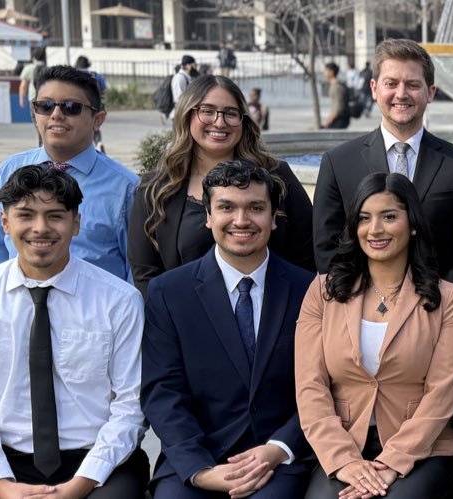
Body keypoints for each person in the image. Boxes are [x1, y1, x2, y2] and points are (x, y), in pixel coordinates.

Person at [0, 164, 150, 499]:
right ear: (5, 222)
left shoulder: (119, 300)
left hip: (97, 457)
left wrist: (81, 484)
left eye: (55, 216)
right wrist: (1, 484)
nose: (40, 228)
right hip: (7, 458)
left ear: (76, 223)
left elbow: (131, 404)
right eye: (26, 215)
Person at [140, 161, 315, 498]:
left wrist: (280, 447)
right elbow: (163, 391)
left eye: (256, 208)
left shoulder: (308, 290)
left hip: (278, 458)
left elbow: (324, 385)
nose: (241, 220)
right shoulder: (169, 292)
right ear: (208, 216)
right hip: (195, 457)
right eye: (226, 207)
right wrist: (200, 469)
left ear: (274, 216)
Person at [297, 173, 453, 498]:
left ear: (412, 223)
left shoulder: (448, 299)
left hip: (423, 449)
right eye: (364, 218)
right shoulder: (323, 292)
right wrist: (343, 460)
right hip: (344, 443)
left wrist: (393, 462)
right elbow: (310, 387)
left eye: (389, 217)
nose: (375, 229)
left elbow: (442, 395)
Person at [314, 39, 453, 291]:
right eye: (391, 83)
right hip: (359, 304)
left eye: (412, 84)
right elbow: (327, 247)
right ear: (374, 89)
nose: (401, 94)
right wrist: (363, 300)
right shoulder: (338, 163)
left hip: (439, 306)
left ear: (431, 92)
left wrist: (438, 300)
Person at [129, 75, 314, 295]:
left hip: (272, 310)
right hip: (184, 312)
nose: (219, 122)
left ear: (243, 120)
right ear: (187, 114)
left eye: (230, 113)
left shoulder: (277, 177)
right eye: (207, 111)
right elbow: (146, 274)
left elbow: (307, 256)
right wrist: (170, 314)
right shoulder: (156, 188)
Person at [0, 65, 138, 281]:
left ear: (98, 119)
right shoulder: (9, 170)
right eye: (45, 106)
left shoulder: (126, 189)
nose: (56, 115)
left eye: (71, 107)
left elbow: (136, 275)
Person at [321, 62, 350, 130]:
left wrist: (330, 119)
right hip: (336, 118)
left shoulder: (337, 87)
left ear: (331, 72)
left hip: (340, 119)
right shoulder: (333, 85)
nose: (324, 73)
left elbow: (339, 106)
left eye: (326, 70)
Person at [170, 55, 196, 121]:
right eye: (194, 65)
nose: (195, 67)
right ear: (188, 66)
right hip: (181, 114)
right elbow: (179, 98)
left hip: (185, 112)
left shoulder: (187, 77)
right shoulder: (179, 78)